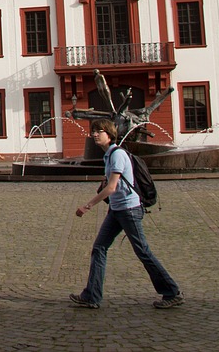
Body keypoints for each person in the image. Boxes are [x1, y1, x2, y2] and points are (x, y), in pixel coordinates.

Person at [70, 119, 183, 310]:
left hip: (129, 210)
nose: (95, 134)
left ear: (110, 134)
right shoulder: (109, 156)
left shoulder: (117, 155)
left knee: (142, 251)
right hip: (117, 210)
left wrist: (87, 206)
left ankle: (172, 292)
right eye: (93, 131)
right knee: (99, 248)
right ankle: (92, 295)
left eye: (99, 131)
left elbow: (112, 187)